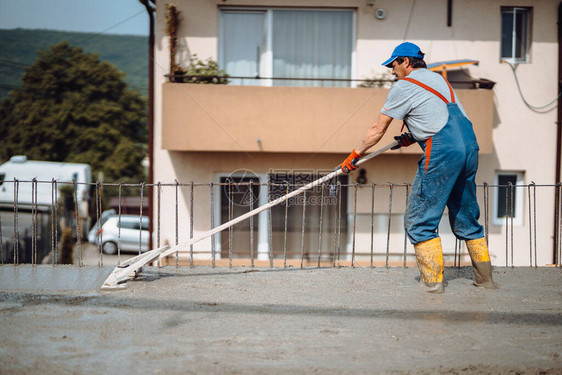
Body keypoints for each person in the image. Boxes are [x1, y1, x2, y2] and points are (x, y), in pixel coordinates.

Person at [339, 42, 496, 293]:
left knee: (419, 219)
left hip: (443, 150)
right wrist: (412, 136)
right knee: (466, 215)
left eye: (393, 65)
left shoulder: (403, 86)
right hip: (469, 147)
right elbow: (438, 115)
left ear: (406, 62)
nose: (392, 71)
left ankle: (433, 285)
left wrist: (354, 155)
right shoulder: (439, 80)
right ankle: (485, 280)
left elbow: (378, 129)